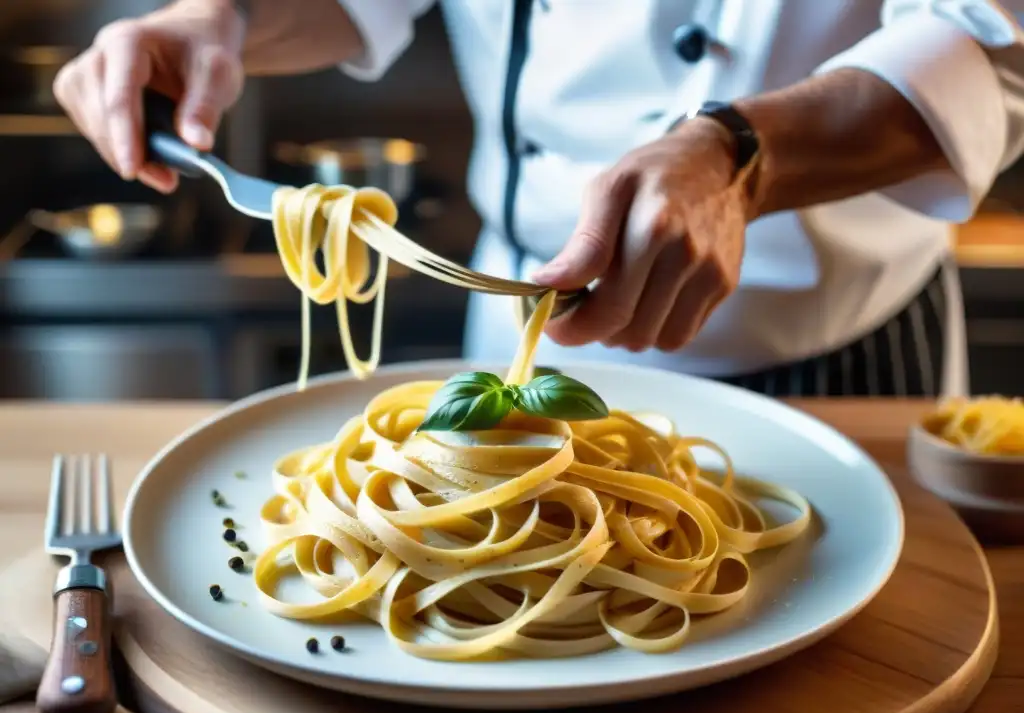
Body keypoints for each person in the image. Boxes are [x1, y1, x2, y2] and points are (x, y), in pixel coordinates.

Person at [53, 0, 1024, 397]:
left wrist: (741, 156)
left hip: (828, 356)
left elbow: (994, 41)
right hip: (523, 329)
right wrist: (221, 18)